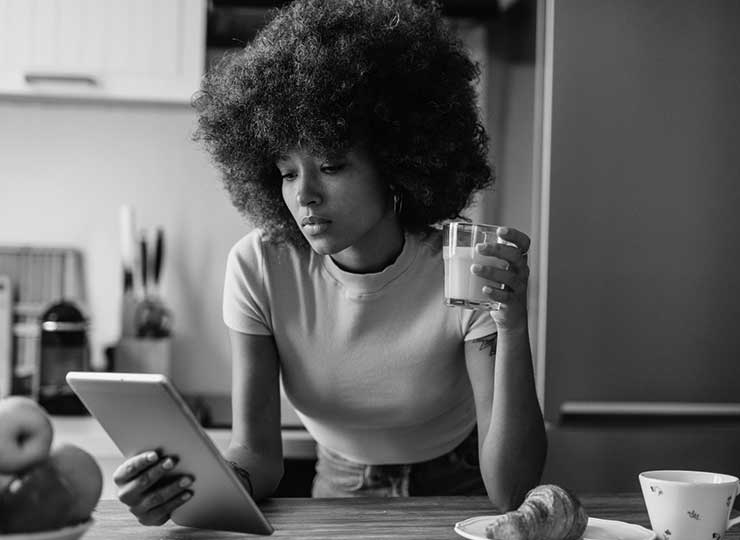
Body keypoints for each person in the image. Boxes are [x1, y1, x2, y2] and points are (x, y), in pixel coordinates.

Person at [112, 0, 546, 527]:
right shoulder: (260, 266)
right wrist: (192, 490)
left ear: (395, 163)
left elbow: (511, 489)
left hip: (458, 488)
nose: (305, 196)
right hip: (337, 486)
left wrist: (514, 326)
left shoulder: (460, 265)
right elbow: (255, 454)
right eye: (287, 172)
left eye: (332, 165)